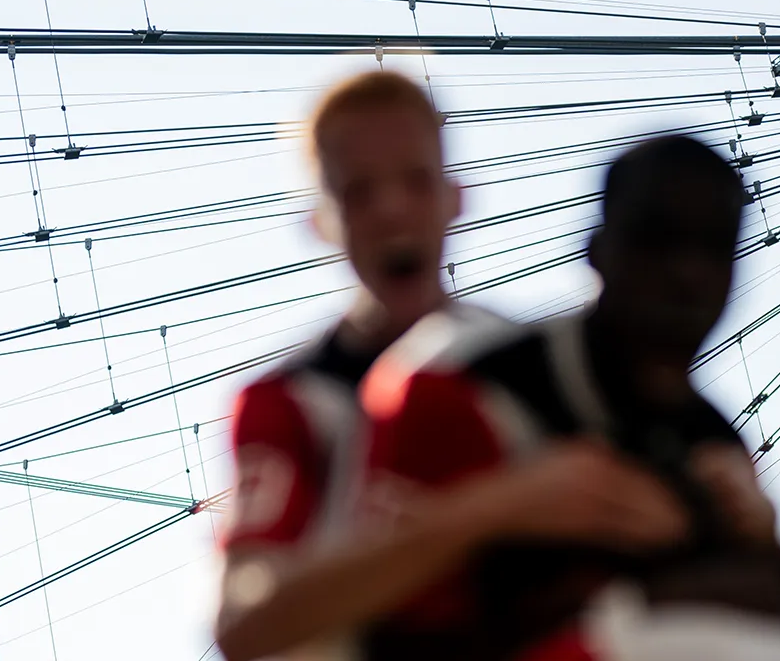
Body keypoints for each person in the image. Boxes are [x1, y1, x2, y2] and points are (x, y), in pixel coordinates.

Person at [215, 72, 691, 661]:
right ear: (321, 221)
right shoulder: (288, 399)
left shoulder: (539, 364)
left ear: (454, 197)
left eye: (416, 181)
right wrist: (494, 508)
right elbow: (244, 620)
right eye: (358, 192)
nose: (392, 210)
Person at [357, 135, 780, 661]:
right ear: (598, 251)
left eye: (715, 247)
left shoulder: (712, 440)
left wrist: (768, 552)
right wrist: (512, 510)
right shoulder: (472, 391)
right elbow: (379, 616)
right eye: (659, 239)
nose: (688, 274)